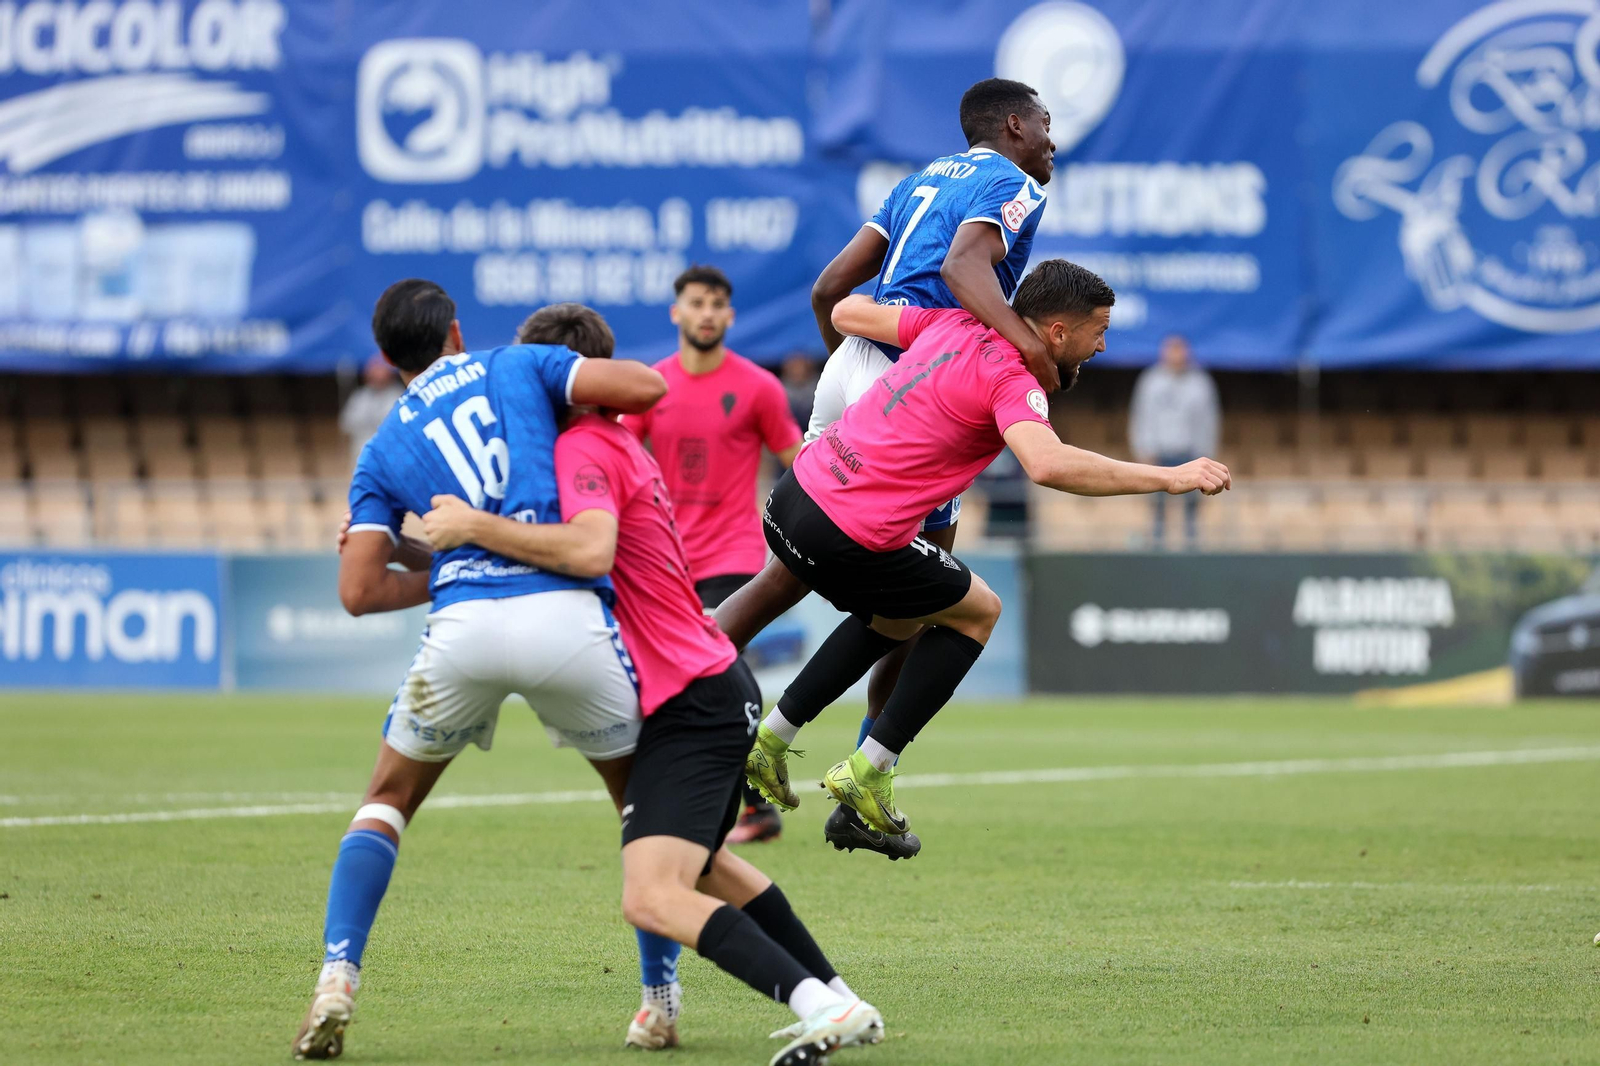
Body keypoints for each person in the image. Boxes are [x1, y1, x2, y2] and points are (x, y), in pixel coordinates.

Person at [419, 302, 884, 1066]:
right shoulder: (610, 443)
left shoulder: (583, 451)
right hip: (706, 683)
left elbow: (590, 549)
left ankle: (818, 1007)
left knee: (652, 895)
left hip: (691, 700)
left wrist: (474, 526)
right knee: (706, 867)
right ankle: (840, 996)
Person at [291, 280, 670, 1060]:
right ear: (456, 331)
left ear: (388, 360)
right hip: (566, 619)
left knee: (386, 802)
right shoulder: (515, 363)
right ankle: (656, 1004)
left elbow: (358, 590)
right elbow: (645, 385)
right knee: (642, 808)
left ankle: (336, 978)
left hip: (461, 632)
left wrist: (452, 563)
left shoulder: (382, 447)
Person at [746, 261, 1230, 844]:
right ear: (1056, 332)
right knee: (979, 611)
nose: (1102, 345)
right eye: (1098, 330)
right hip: (850, 529)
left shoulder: (948, 323)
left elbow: (845, 311)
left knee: (901, 615)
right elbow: (1047, 464)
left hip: (790, 498)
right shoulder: (1013, 379)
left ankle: (770, 740)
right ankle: (869, 769)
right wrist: (1169, 477)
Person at [710, 77, 1057, 859]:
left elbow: (832, 287)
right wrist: (1026, 347)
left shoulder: (917, 180)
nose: (1051, 141)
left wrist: (858, 374)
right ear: (1013, 125)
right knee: (925, 594)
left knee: (790, 569)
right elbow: (970, 271)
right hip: (917, 376)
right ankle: (867, 773)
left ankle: (677, 688)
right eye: (1044, 124)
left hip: (854, 362)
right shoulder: (1012, 185)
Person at [621, 266, 803, 846]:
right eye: (696, 303)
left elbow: (799, 466)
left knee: (715, 678)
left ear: (729, 315)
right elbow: (614, 456)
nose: (706, 312)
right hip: (666, 566)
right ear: (677, 312)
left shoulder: (758, 388)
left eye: (717, 303)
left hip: (735, 558)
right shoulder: (650, 384)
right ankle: (740, 802)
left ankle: (740, 810)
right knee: (674, 686)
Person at [1129, 334, 1221, 549]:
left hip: (1190, 453)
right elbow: (1141, 416)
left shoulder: (1200, 382)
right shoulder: (1150, 381)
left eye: (1180, 350)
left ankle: (1191, 549)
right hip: (1159, 453)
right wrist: (1143, 448)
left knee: (1191, 508)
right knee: (1158, 507)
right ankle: (1157, 549)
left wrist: (1206, 451)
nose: (1176, 355)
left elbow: (1209, 420)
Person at [337, 353, 405, 466]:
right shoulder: (360, 396)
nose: (377, 374)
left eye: (381, 369)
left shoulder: (399, 396)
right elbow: (346, 424)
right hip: (362, 456)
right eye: (374, 369)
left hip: (390, 457)